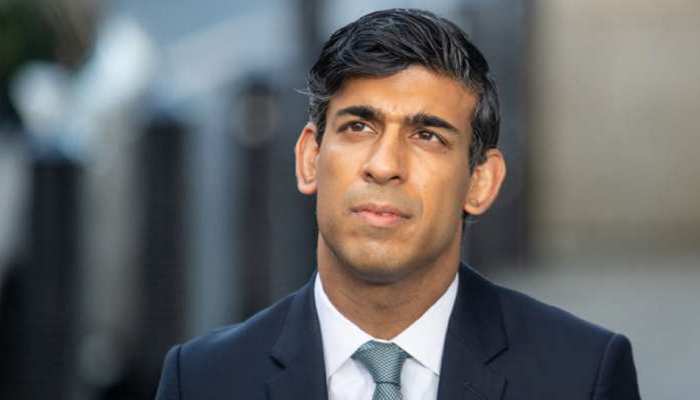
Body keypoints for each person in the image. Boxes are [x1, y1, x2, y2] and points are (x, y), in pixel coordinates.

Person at [155, 8, 640, 400]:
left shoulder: (582, 376)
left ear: (481, 182)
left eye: (427, 135)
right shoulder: (201, 381)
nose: (384, 165)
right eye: (358, 127)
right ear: (309, 158)